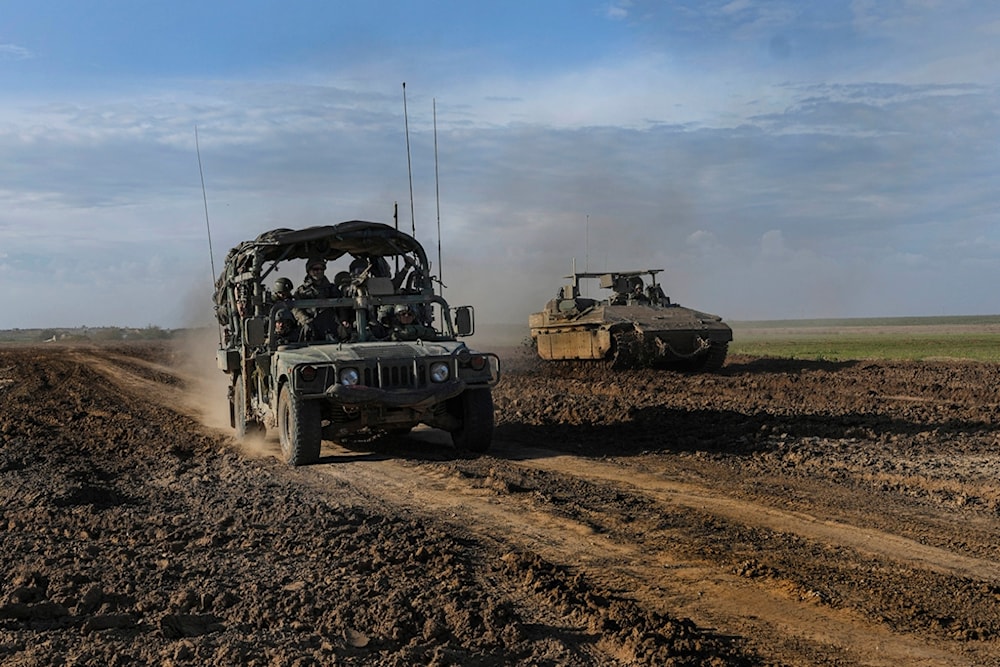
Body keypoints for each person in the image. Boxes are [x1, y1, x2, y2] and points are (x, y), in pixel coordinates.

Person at [293, 258, 338, 339]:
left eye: (322, 269)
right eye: (316, 269)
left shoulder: (332, 288)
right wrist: (305, 320)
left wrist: (343, 319)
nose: (319, 272)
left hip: (330, 327)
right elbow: (295, 308)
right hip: (310, 328)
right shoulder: (301, 291)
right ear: (309, 271)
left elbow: (341, 307)